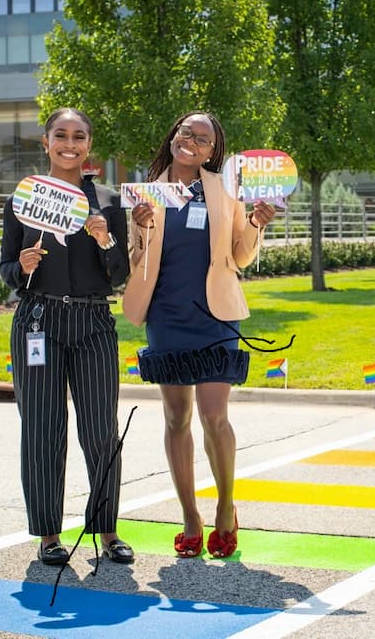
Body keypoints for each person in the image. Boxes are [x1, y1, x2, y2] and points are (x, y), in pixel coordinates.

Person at [122, 111, 276, 558]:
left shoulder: (225, 189)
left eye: (203, 138)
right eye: (186, 132)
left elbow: (241, 255)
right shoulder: (148, 191)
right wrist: (139, 224)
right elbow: (138, 263)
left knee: (214, 416)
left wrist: (256, 223)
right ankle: (190, 515)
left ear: (213, 151)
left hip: (216, 315)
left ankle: (226, 508)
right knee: (176, 418)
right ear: (173, 136)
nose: (191, 141)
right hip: (167, 313)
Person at [0, 107, 134, 566]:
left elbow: (119, 275)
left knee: (100, 430)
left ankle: (108, 530)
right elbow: (6, 270)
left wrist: (106, 242)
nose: (69, 143)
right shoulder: (24, 198)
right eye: (61, 135)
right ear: (46, 142)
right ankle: (49, 534)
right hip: (38, 321)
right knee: (41, 429)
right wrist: (23, 268)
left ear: (89, 144)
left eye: (78, 136)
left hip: (94, 322)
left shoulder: (109, 202)